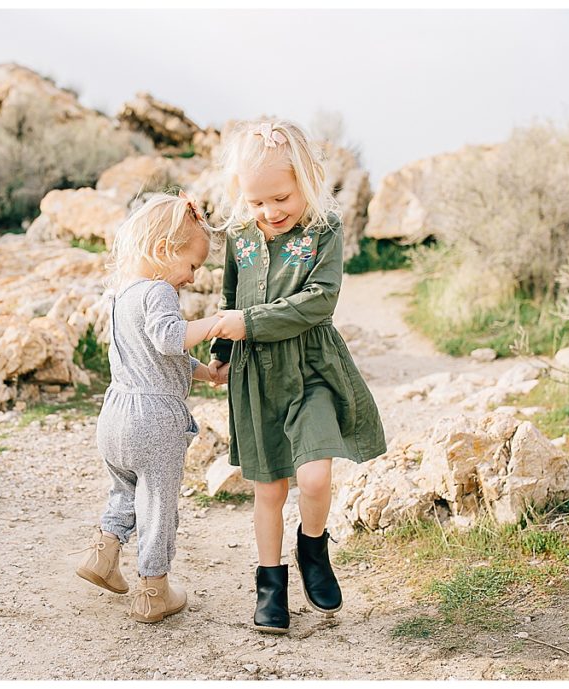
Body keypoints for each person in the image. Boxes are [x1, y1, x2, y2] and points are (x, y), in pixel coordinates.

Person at [208, 119, 387, 634]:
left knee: (313, 476)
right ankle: (270, 585)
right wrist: (223, 346)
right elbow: (229, 298)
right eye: (258, 202)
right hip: (255, 376)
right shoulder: (240, 235)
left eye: (281, 198)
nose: (270, 212)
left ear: (306, 178)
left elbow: (320, 300)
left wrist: (252, 323)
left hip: (311, 368)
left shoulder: (324, 230)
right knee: (268, 490)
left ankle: (313, 548)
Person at [75, 192, 223, 623]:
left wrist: (207, 374)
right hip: (153, 421)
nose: (193, 278)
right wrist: (215, 323)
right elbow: (169, 338)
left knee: (125, 489)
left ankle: (104, 554)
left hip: (116, 414)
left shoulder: (121, 295)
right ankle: (154, 590)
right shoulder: (159, 290)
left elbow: (157, 358)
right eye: (192, 265)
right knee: (158, 504)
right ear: (163, 251)